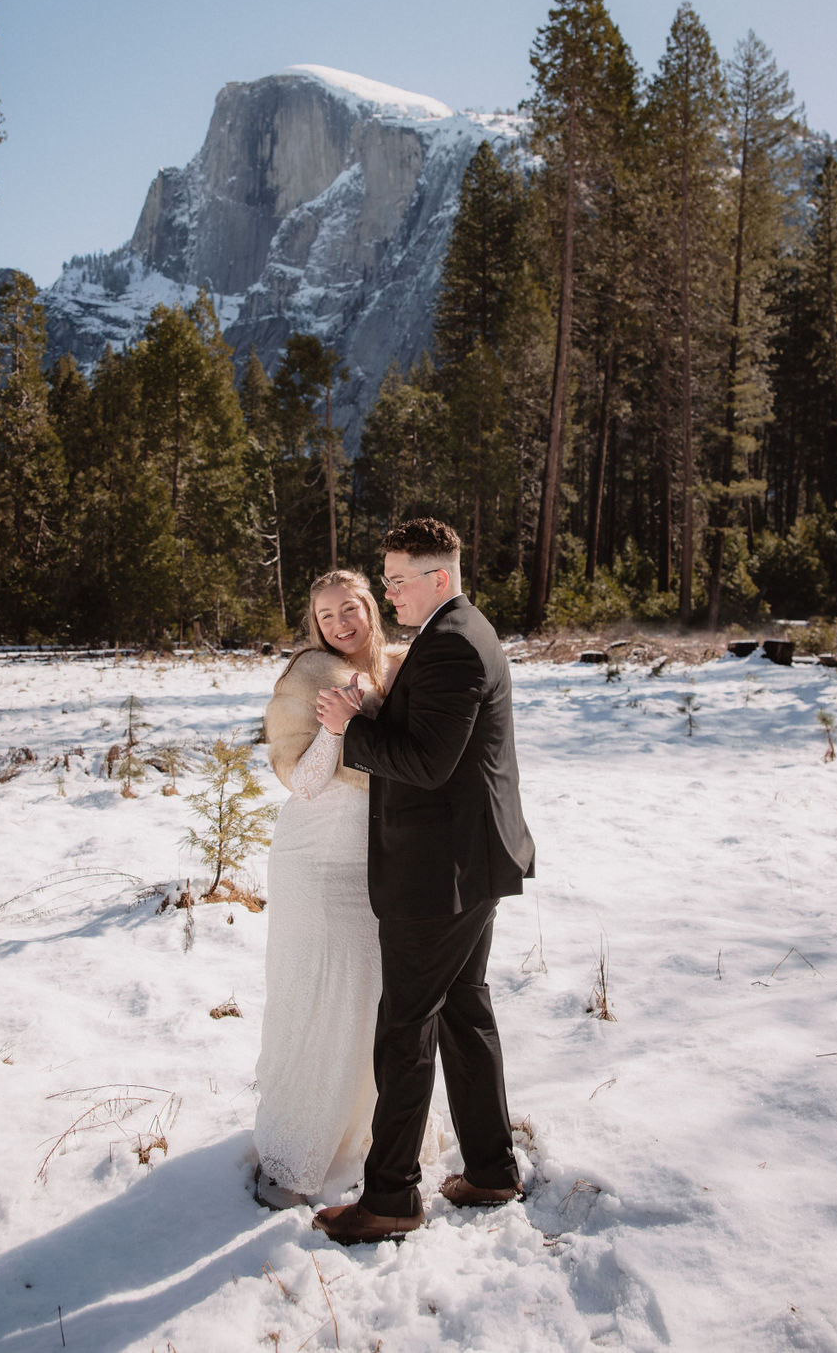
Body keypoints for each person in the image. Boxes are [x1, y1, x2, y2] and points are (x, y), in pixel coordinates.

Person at [312, 517, 536, 1245]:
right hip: (469, 861)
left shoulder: (451, 645)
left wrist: (352, 725)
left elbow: (428, 761)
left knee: (406, 1025)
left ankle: (391, 1198)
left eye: (398, 579)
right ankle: (493, 1169)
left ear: (437, 579)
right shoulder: (463, 630)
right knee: (463, 1011)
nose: (388, 592)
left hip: (440, 872)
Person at [253, 569, 405, 1210]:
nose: (340, 623)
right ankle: (300, 1154)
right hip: (316, 860)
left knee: (368, 997)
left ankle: (364, 1138)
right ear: (313, 625)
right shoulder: (310, 676)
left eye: (350, 608)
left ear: (371, 606)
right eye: (325, 615)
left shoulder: (399, 665)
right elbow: (306, 782)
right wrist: (340, 723)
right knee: (319, 994)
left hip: (377, 855)